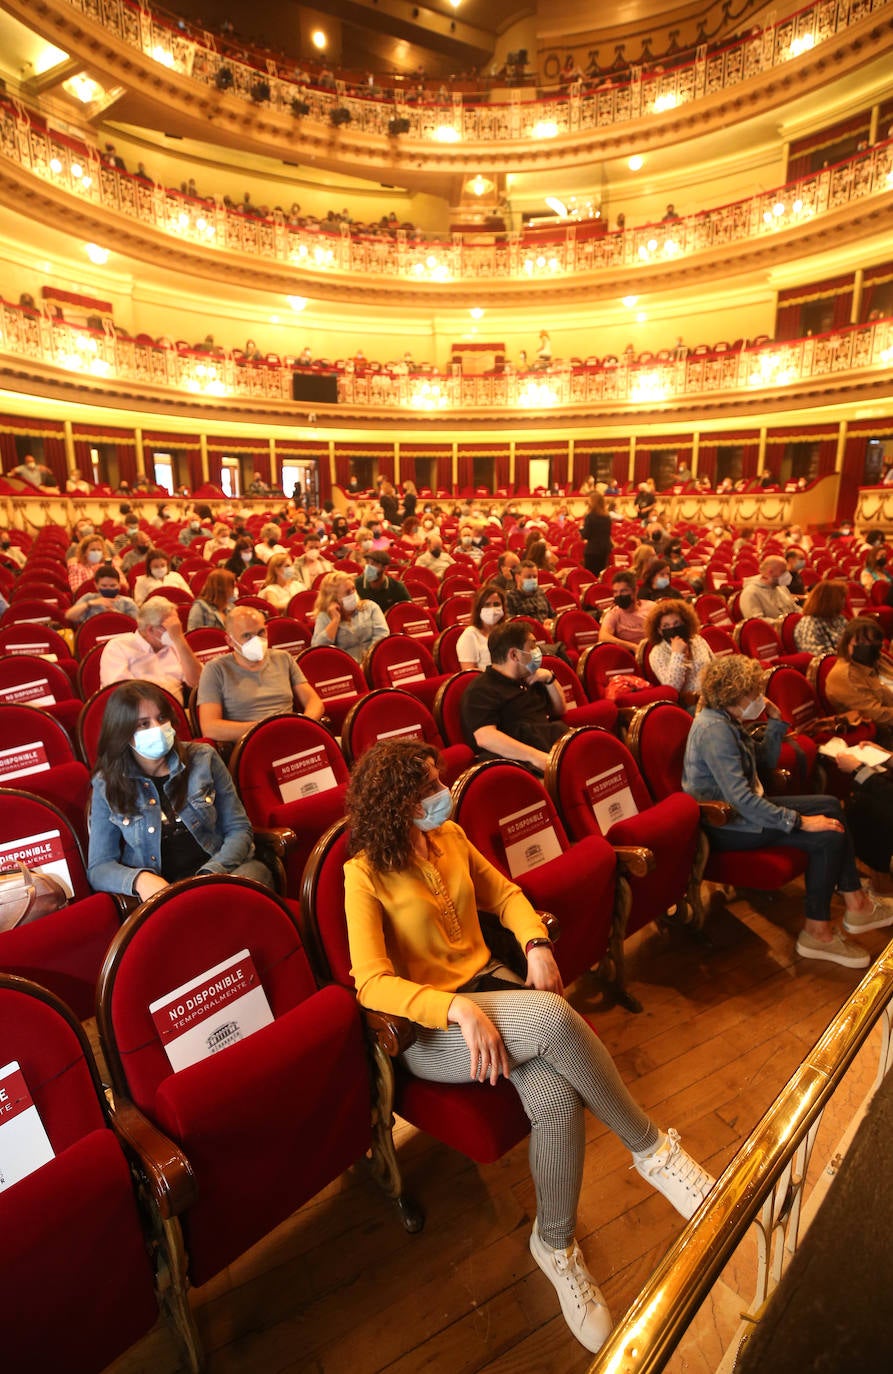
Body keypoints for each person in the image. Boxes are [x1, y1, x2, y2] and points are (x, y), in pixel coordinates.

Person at [344, 739, 714, 1353]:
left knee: (556, 1100)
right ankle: (653, 1150)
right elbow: (371, 983)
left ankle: (555, 1242)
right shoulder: (363, 874)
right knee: (555, 1018)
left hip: (496, 994)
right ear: (397, 803)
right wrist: (456, 1007)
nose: (443, 794)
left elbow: (508, 896)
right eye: (429, 788)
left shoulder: (451, 838)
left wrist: (536, 943)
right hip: (431, 1030)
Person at [682, 655, 893, 967]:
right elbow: (740, 799)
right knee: (828, 835)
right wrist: (800, 822)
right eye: (754, 692)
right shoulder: (714, 730)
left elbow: (764, 765)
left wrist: (775, 722)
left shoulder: (727, 720)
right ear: (734, 694)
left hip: (746, 812)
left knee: (831, 805)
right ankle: (816, 933)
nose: (760, 697)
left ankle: (857, 903)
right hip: (728, 824)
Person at [87, 680, 272, 899]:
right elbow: (99, 866)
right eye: (144, 724)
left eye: (161, 718)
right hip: (165, 892)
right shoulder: (107, 783)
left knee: (254, 877)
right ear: (123, 733)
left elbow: (239, 828)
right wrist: (140, 880)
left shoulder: (204, 757)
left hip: (223, 872)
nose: (157, 728)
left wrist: (211, 874)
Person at [197, 605, 325, 743]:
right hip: (253, 745)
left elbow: (314, 702)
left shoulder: (283, 658)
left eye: (260, 633)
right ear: (230, 641)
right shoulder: (215, 669)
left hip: (295, 735)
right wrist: (266, 729)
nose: (256, 640)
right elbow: (210, 727)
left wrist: (301, 725)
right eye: (247, 635)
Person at [461, 620, 567, 773]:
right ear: (514, 655)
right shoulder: (480, 689)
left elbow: (560, 710)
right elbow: (485, 737)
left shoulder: (530, 678)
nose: (538, 651)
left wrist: (549, 679)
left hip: (551, 745)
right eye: (532, 646)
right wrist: (537, 758)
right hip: (523, 765)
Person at [99, 597, 202, 698]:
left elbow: (197, 682)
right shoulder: (118, 647)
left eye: (177, 626)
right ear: (150, 630)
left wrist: (180, 640)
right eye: (171, 627)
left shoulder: (176, 645)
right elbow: (120, 695)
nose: (177, 631)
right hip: (138, 712)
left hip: (176, 711)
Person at [825, 618, 893, 748]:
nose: (868, 646)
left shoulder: (878, 659)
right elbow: (876, 714)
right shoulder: (844, 675)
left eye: (873, 642)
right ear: (847, 644)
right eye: (861, 642)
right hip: (883, 736)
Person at [644, 599, 713, 710]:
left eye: (677, 623)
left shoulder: (697, 640)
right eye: (666, 626)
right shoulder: (657, 653)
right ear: (659, 631)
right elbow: (672, 688)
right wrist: (677, 654)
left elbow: (715, 666)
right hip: (689, 705)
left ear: (685, 623)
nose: (672, 628)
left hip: (713, 696)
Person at [311, 571, 389, 662]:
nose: (353, 594)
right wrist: (335, 620)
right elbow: (317, 648)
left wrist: (368, 659)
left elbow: (382, 634)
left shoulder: (370, 607)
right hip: (343, 666)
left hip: (373, 661)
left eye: (353, 589)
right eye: (348, 592)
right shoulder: (325, 616)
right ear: (333, 598)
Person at [65, 563, 137, 624]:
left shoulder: (128, 602)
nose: (109, 588)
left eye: (113, 585)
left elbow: (137, 625)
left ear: (119, 585)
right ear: (96, 585)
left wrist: (117, 615)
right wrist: (90, 604)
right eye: (104, 586)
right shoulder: (89, 598)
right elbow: (69, 616)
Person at [457, 585, 507, 671]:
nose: (492, 609)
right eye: (487, 605)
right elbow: (469, 674)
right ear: (478, 608)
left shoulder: (506, 630)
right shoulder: (469, 636)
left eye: (496, 604)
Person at [793, 580, 848, 657]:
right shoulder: (809, 623)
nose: (844, 602)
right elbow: (814, 654)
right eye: (841, 598)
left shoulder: (839, 619)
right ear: (830, 601)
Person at [739, 556, 800, 622]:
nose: (786, 575)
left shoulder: (782, 588)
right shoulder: (750, 593)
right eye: (783, 571)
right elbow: (757, 622)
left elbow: (795, 608)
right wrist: (785, 624)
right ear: (770, 572)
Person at [598, 571, 647, 647]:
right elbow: (603, 637)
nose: (619, 595)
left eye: (623, 591)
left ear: (635, 591)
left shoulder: (651, 607)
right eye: (615, 592)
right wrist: (632, 646)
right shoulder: (613, 614)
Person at [357, 548, 411, 613]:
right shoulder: (356, 584)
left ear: (385, 567)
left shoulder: (397, 587)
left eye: (374, 564)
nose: (369, 567)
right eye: (368, 563)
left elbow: (410, 609)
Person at [506, 561, 555, 630]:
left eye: (535, 577)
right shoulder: (510, 597)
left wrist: (550, 622)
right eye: (528, 577)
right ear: (517, 577)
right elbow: (511, 626)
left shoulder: (540, 592)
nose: (532, 580)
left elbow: (552, 615)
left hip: (546, 632)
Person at [580, 492, 612, 577]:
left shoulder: (590, 517)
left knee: (590, 576)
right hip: (604, 550)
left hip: (592, 550)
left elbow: (585, 535)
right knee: (600, 575)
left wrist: (580, 529)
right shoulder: (607, 517)